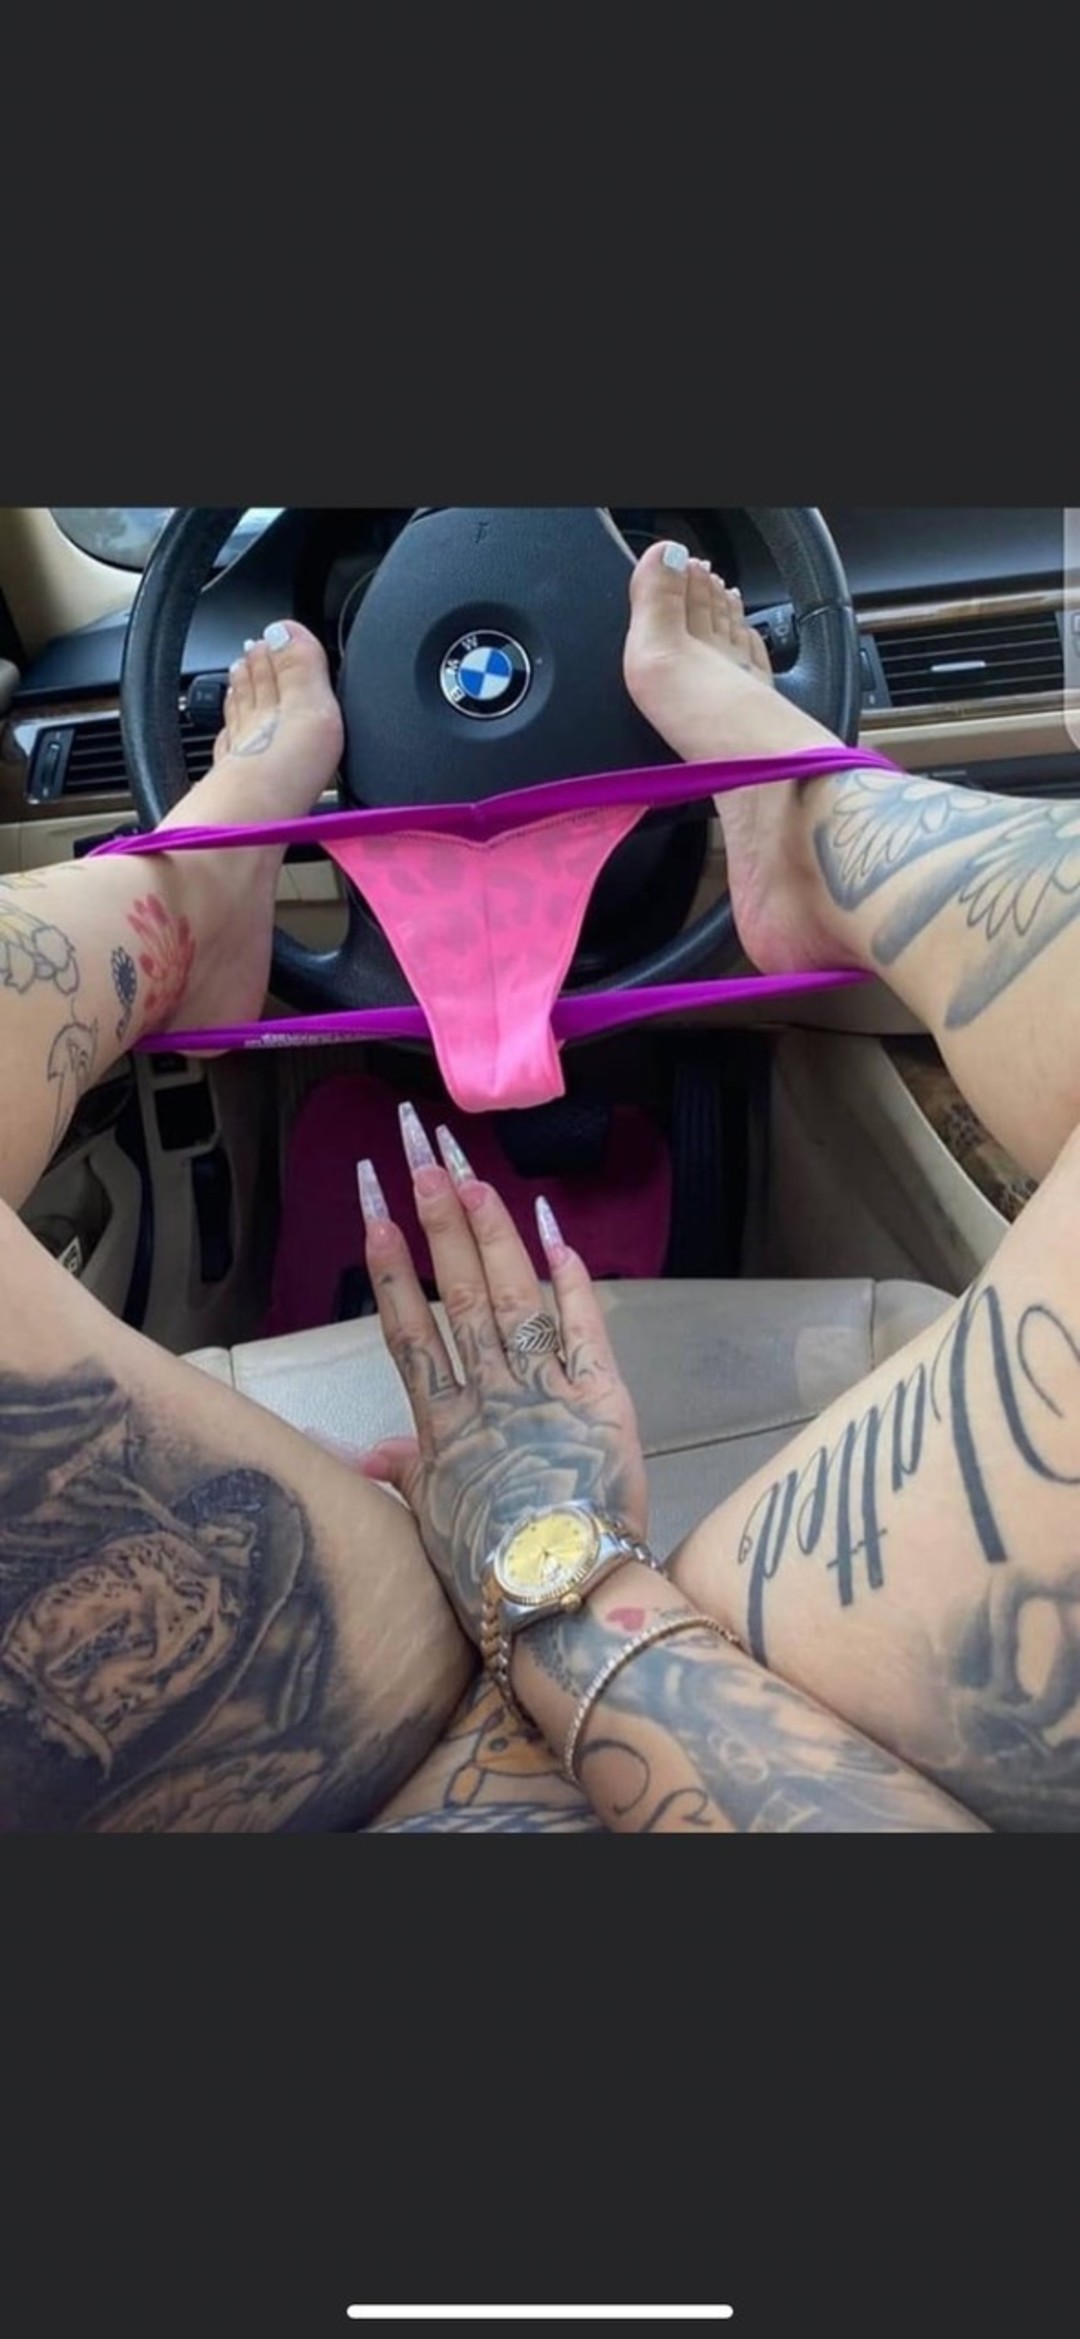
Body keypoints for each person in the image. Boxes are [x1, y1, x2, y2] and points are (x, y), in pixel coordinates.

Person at [0, 540, 1071, 1831]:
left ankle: (188, 892)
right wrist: (563, 1573)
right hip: (752, 1708)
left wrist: (528, 1554)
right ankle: (814, 829)